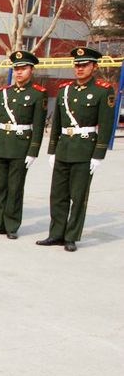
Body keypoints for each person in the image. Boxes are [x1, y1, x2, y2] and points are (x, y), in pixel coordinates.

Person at [36, 46, 114, 252]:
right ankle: (56, 234)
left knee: (78, 196)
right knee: (58, 195)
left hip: (84, 149)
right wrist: (52, 149)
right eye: (77, 65)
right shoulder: (64, 90)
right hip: (64, 148)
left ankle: (71, 236)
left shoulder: (103, 90)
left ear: (94, 67)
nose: (79, 69)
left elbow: (106, 125)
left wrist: (99, 154)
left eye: (84, 65)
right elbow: (57, 124)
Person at [0, 50, 47, 240]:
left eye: (23, 68)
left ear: (31, 70)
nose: (19, 72)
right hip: (2, 145)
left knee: (15, 188)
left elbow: (38, 125)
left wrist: (33, 151)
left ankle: (11, 225)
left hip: (20, 147)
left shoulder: (37, 94)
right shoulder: (5, 93)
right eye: (16, 68)